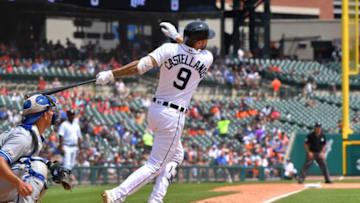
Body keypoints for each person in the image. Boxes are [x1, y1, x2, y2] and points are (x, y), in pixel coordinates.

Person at [97, 21, 214, 203]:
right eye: (205, 39)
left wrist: (112, 74)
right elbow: (191, 49)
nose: (207, 42)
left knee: (176, 155)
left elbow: (140, 66)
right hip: (173, 116)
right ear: (199, 42)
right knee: (156, 165)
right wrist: (177, 37)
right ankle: (117, 195)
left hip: (156, 110)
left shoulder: (168, 49)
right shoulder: (207, 58)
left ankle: (156, 200)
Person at [0, 94, 60, 202]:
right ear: (44, 115)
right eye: (50, 109)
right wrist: (19, 183)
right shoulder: (24, 137)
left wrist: (49, 165)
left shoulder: (32, 134)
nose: (53, 113)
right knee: (37, 167)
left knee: (42, 167)